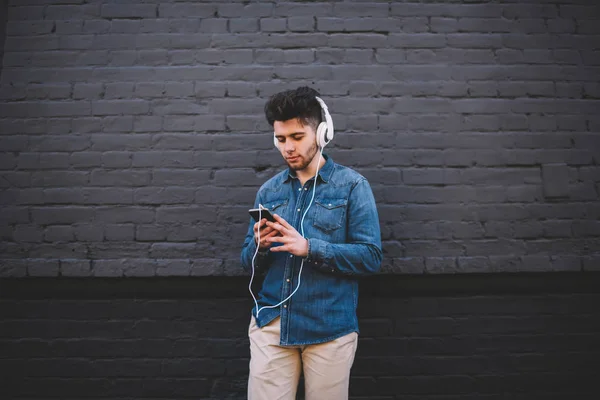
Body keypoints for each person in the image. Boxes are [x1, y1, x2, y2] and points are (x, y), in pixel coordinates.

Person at [240, 86, 383, 400]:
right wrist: (259, 246)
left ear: (322, 134)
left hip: (328, 328)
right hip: (272, 323)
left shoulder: (352, 186)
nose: (288, 148)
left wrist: (309, 247)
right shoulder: (269, 191)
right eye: (281, 139)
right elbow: (246, 261)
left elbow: (371, 256)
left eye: (297, 137)